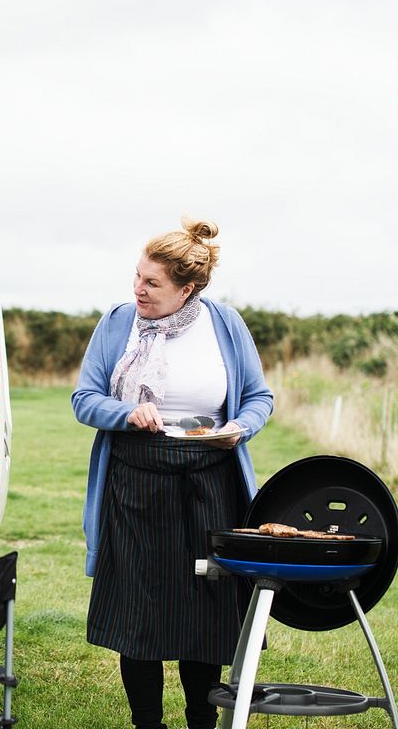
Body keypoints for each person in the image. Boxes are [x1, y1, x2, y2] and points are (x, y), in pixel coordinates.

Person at [71, 218, 273, 729]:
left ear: (188, 289)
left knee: (204, 609)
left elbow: (258, 398)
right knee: (139, 611)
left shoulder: (225, 325)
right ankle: (148, 724)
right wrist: (126, 413)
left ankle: (202, 721)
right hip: (135, 480)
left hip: (211, 482)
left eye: (152, 283)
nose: (138, 289)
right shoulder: (118, 322)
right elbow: (85, 399)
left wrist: (239, 429)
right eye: (137, 276)